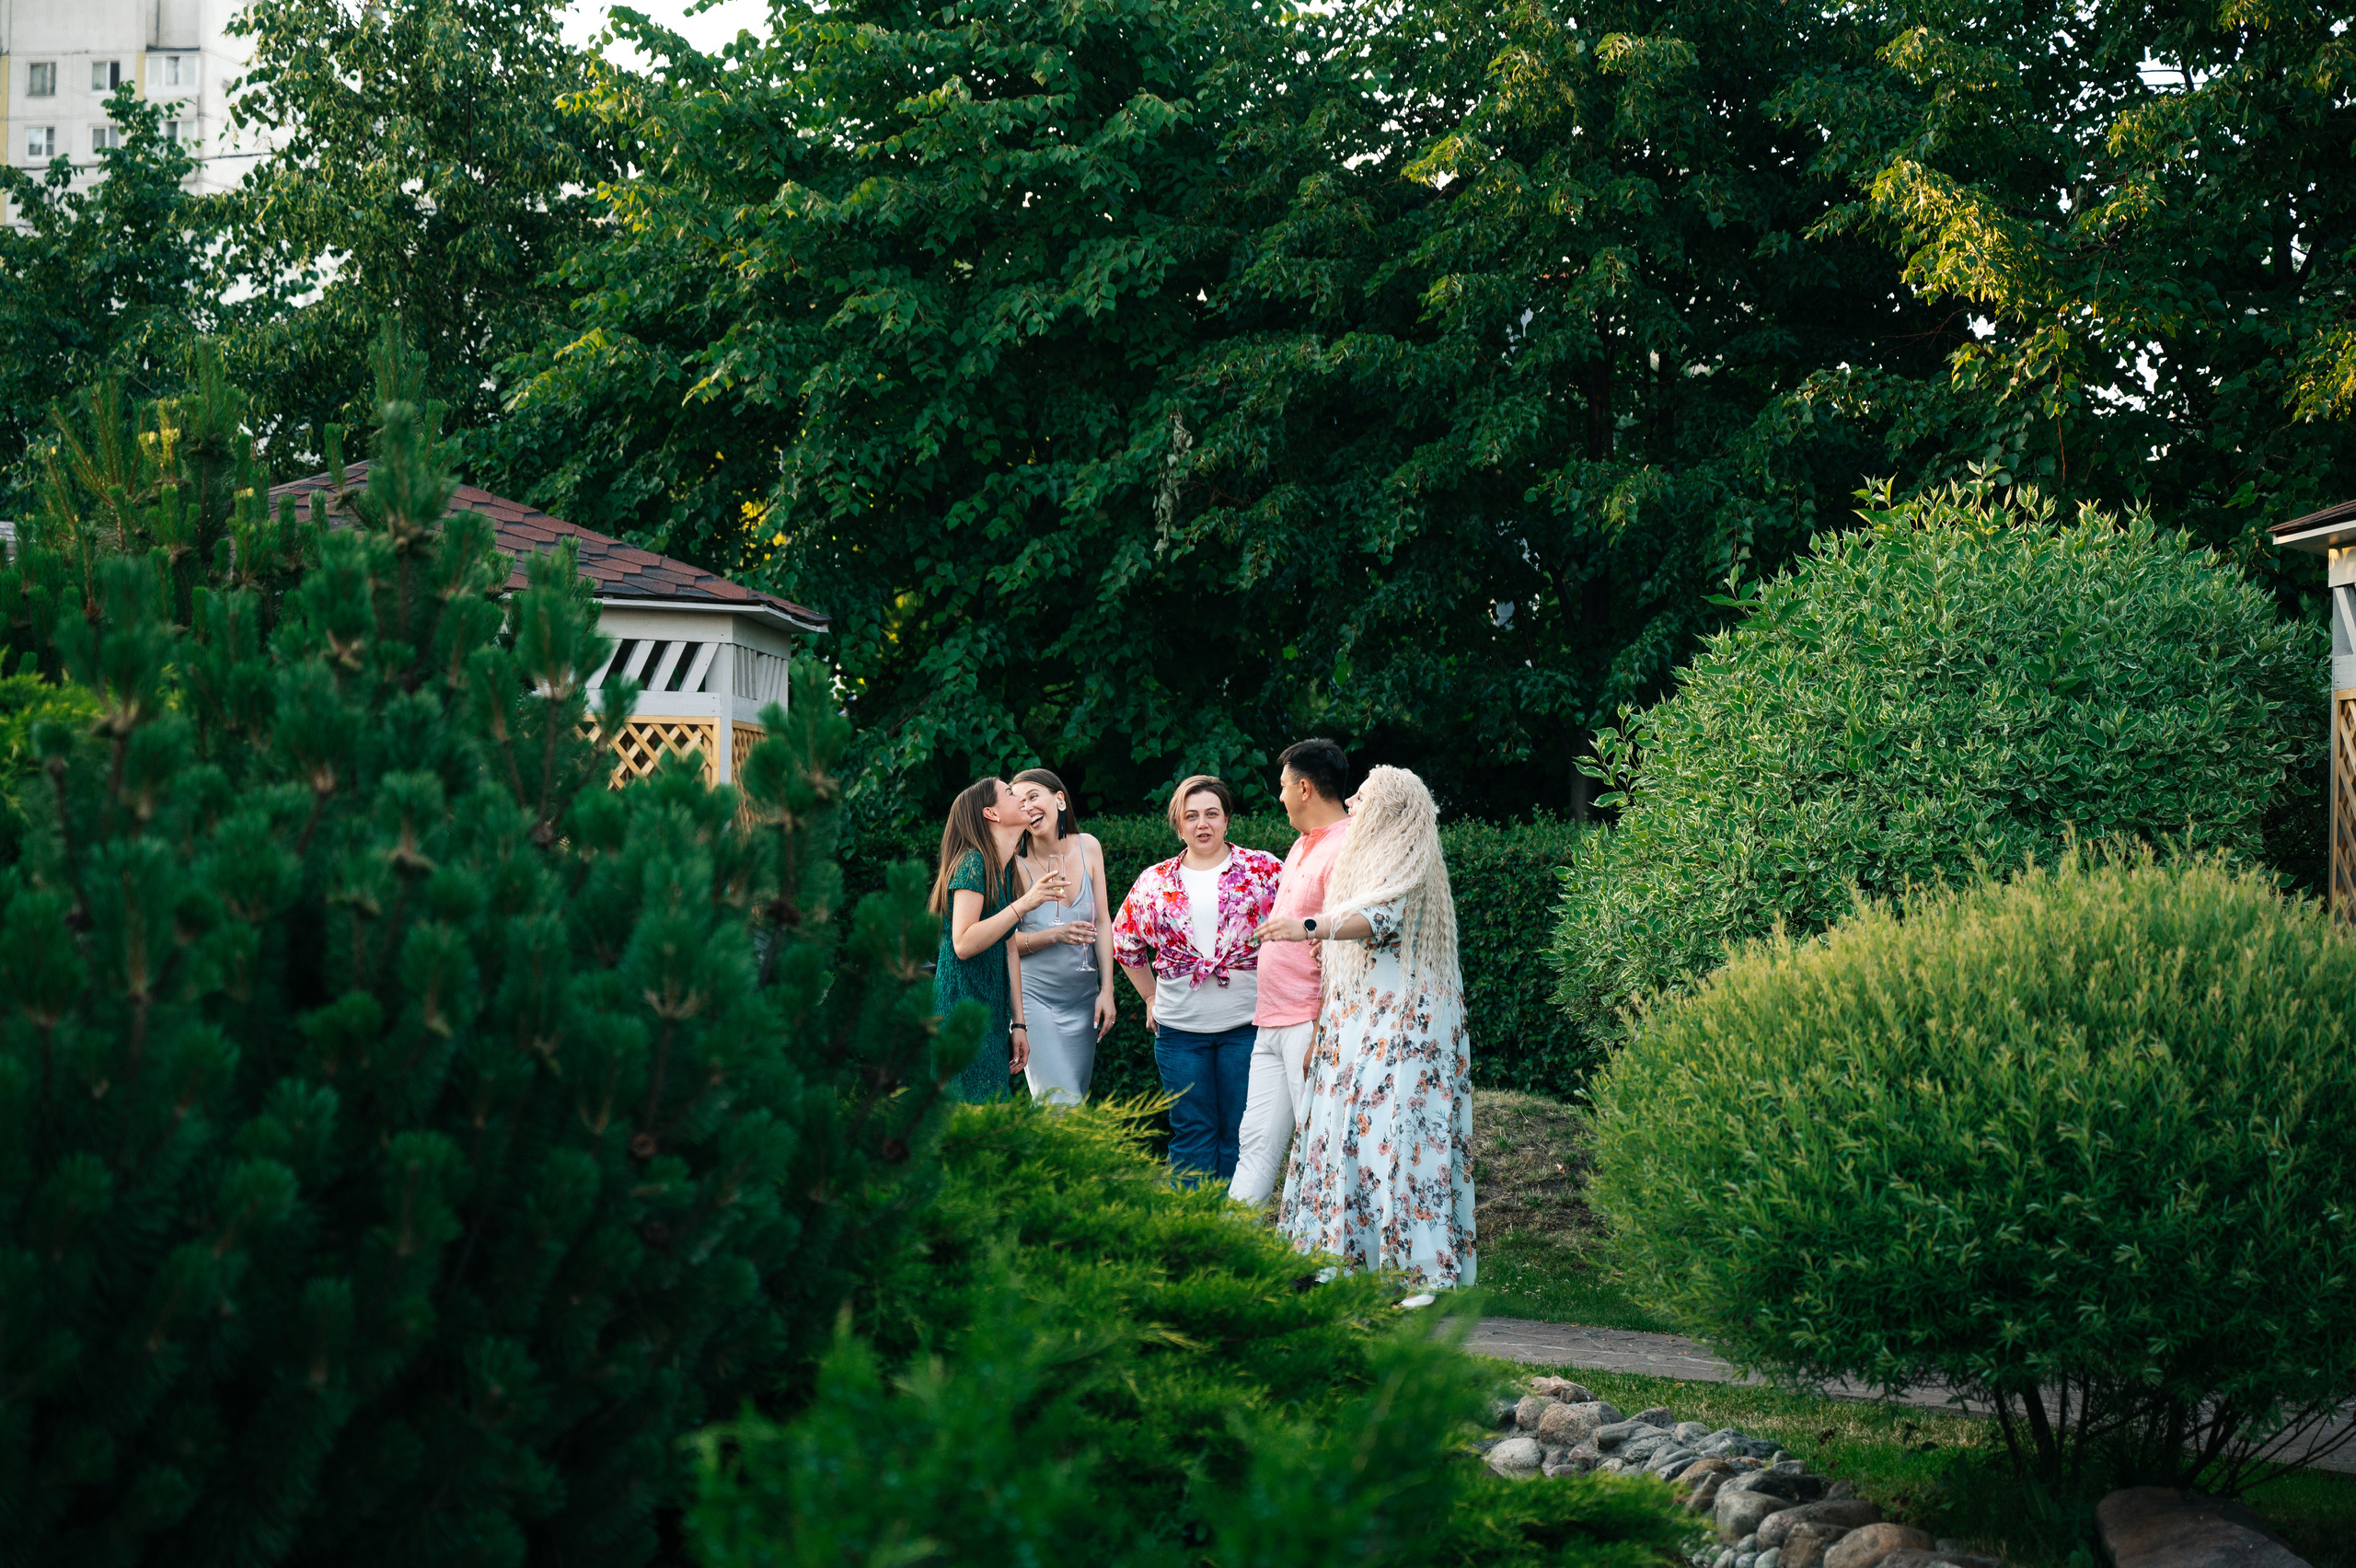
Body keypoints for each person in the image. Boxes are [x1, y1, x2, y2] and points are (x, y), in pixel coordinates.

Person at [1259, 765, 1474, 1288]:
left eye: (1362, 797)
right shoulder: (1373, 859)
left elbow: (1379, 918)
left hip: (1407, 1022)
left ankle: (1421, 1274)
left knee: (1403, 1137)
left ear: (1389, 809)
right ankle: (1341, 1261)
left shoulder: (1410, 860)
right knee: (1347, 1136)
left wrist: (1309, 926)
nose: (1351, 803)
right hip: (1365, 1016)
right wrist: (1329, 939)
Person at [1111, 775, 1282, 1185]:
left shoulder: (1264, 869)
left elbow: (1297, 936)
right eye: (1191, 816)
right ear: (1179, 824)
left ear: (1226, 820)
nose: (1202, 824)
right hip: (1179, 1031)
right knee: (1191, 1133)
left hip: (1247, 1026)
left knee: (1240, 1133)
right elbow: (1124, 942)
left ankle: (1237, 1231)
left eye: (1211, 814)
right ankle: (1194, 1233)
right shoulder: (1154, 882)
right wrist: (1150, 998)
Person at [1228, 738, 1354, 1206]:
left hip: (1309, 1022)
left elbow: (1346, 943)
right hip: (1272, 1021)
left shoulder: (1348, 847)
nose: (1278, 797)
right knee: (1255, 1142)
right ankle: (1233, 1254)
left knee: (1321, 1145)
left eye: (1283, 786)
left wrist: (1324, 1026)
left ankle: (1328, 1268)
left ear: (1304, 788)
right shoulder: (1303, 844)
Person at [930, 776, 1073, 1102]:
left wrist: (1018, 1025)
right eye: (1010, 793)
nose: (1021, 798)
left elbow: (1009, 946)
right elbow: (963, 944)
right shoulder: (973, 863)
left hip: (990, 1018)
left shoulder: (1003, 866)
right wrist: (1026, 902)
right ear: (991, 814)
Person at [1007, 768, 1116, 1103]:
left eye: (1033, 796)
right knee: (1060, 1106)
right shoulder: (1014, 864)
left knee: (1072, 1105)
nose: (1027, 806)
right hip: (1035, 1003)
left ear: (1059, 798)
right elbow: (1007, 943)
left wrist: (1107, 990)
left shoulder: (1089, 847)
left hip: (1083, 1002)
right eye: (1019, 801)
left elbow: (1102, 923)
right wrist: (1053, 935)